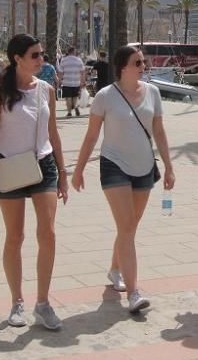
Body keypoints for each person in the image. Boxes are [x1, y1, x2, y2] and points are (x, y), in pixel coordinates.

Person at [72, 45, 175, 313]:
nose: (143, 66)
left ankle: (115, 268)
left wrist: (169, 166)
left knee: (129, 226)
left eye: (143, 62)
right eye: (137, 62)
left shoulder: (152, 92)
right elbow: (92, 135)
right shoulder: (105, 96)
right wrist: (79, 169)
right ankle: (133, 293)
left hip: (144, 166)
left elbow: (160, 132)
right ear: (122, 67)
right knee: (127, 225)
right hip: (114, 165)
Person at [0, 34, 68, 330]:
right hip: (10, 165)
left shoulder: (46, 90)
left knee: (49, 233)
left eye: (42, 54)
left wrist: (64, 172)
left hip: (44, 164)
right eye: (35, 55)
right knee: (15, 236)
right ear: (17, 58)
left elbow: (53, 132)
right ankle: (17, 301)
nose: (41, 60)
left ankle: (43, 303)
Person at [58, 47, 85, 117]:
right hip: (76, 82)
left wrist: (59, 81)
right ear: (74, 52)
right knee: (75, 97)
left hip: (66, 82)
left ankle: (69, 112)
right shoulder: (79, 60)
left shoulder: (64, 60)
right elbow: (82, 72)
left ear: (68, 52)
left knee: (68, 98)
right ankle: (75, 107)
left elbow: (60, 72)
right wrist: (83, 82)